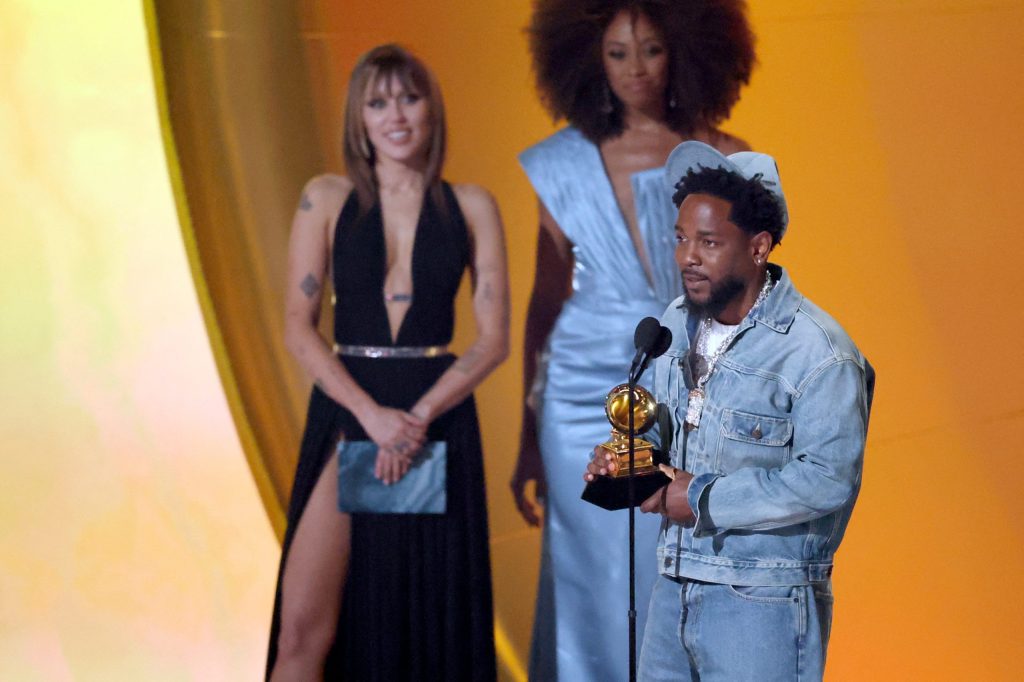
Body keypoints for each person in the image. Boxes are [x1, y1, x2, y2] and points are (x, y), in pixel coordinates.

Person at [510, 1, 756, 679]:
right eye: (617, 53)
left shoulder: (727, 156)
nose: (635, 69)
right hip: (578, 399)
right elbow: (543, 304)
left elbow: (756, 302)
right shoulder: (563, 165)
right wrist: (528, 436)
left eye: (651, 49)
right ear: (590, 58)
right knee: (592, 579)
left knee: (681, 573)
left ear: (684, 49)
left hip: (693, 386)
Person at [585, 141, 875, 680]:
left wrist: (700, 497)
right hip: (673, 586)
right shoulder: (676, 322)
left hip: (761, 601)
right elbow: (669, 427)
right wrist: (629, 460)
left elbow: (827, 479)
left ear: (759, 247)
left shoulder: (818, 353)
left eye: (709, 242)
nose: (687, 257)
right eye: (681, 238)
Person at [266, 44, 509, 681]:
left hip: (435, 420)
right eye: (377, 103)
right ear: (359, 117)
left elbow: (493, 340)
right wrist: (373, 418)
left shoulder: (472, 205)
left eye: (409, 98)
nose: (395, 115)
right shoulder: (324, 198)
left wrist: (415, 420)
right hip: (351, 411)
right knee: (302, 630)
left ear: (432, 109)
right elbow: (297, 328)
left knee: (422, 635)